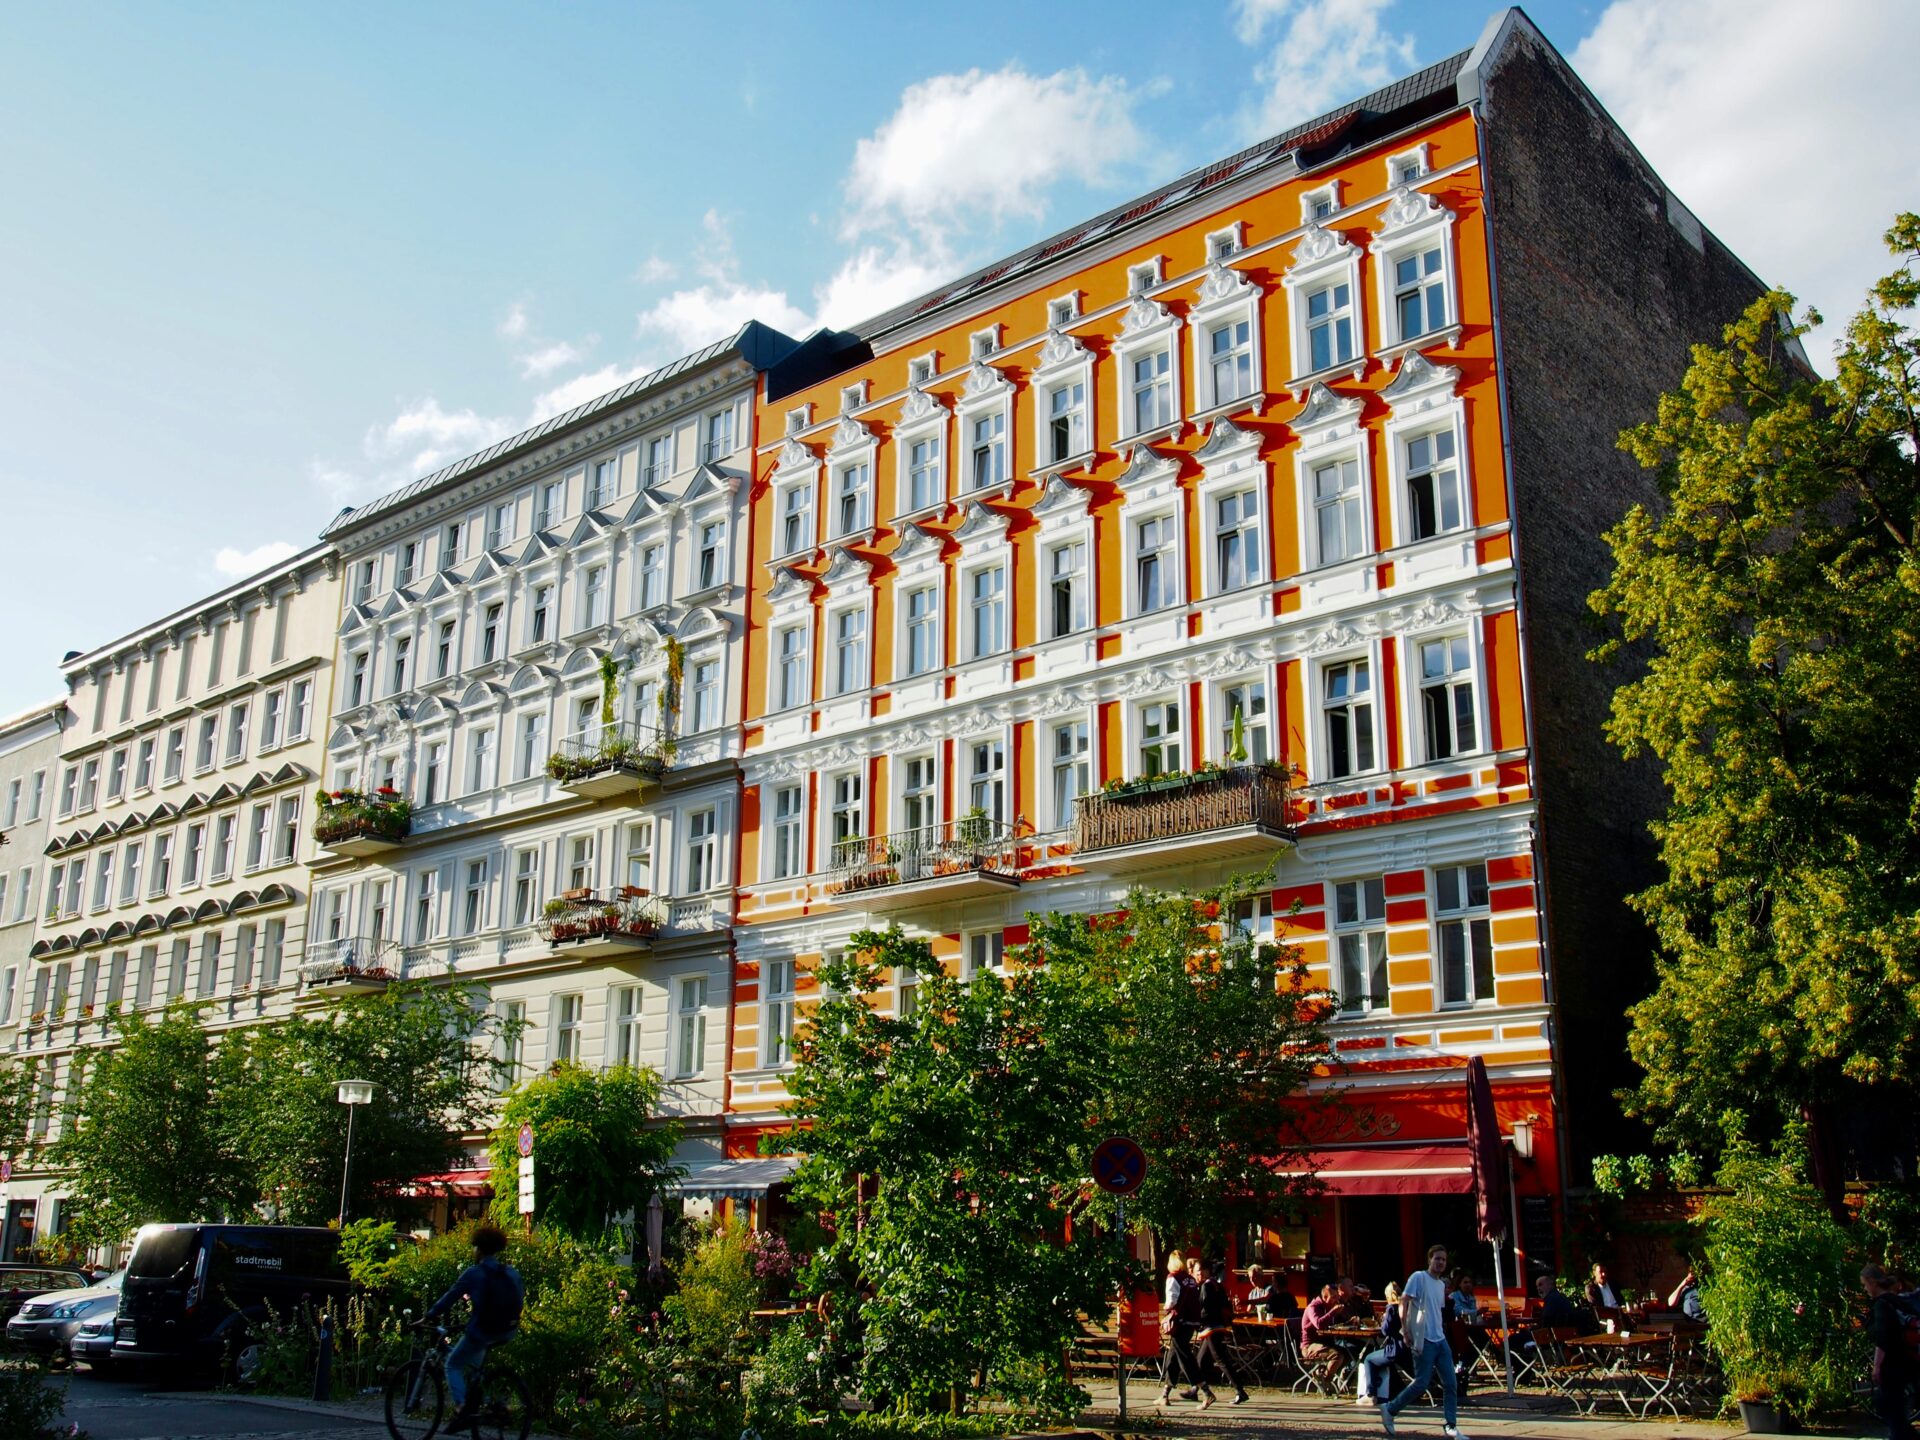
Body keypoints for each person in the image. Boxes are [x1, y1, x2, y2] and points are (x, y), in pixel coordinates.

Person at [422, 1223, 524, 1423]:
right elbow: (519, 1297)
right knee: (474, 1369)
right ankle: (487, 1404)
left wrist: (429, 1315)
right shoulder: (510, 1272)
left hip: (483, 1329)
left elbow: (450, 1297)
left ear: (478, 1248)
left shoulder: (474, 1273)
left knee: (452, 1364)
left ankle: (462, 1408)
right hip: (507, 1329)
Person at [1377, 1243, 1468, 1439]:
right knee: (1421, 1383)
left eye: (1443, 1260)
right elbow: (1404, 1300)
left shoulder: (1441, 1284)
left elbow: (1437, 1310)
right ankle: (1390, 1409)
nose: (1440, 1263)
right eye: (1437, 1259)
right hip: (1423, 1338)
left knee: (1451, 1383)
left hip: (1440, 1339)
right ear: (1429, 1260)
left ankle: (1450, 1424)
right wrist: (1406, 1330)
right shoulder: (1418, 1277)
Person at [1865, 1264, 1917, 1440]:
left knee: (1886, 1405)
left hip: (1892, 1365)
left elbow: (1883, 1338)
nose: (1865, 1289)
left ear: (1873, 1282)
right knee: (1893, 1409)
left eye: (1865, 1284)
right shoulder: (1897, 1300)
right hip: (1906, 1360)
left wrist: (1876, 1367)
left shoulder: (1882, 1304)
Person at [1191, 1257, 1251, 1405]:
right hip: (1219, 1326)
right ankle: (1194, 1390)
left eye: (1198, 1272)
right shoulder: (1218, 1285)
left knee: (1221, 1359)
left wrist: (1198, 1322)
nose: (1196, 1275)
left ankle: (1240, 1390)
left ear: (1205, 1271)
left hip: (1211, 1328)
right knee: (1201, 1359)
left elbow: (1204, 1308)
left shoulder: (1206, 1286)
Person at [1157, 1250, 1205, 1406]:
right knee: (1173, 1356)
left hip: (1180, 1321)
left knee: (1184, 1357)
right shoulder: (1190, 1279)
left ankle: (1205, 1390)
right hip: (1191, 1322)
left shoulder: (1173, 1278)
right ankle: (1165, 1394)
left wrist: (1166, 1311)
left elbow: (1171, 1301)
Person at [1356, 1282, 1405, 1407]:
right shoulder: (1405, 1306)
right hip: (1407, 1350)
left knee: (1369, 1359)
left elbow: (1385, 1331)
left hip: (1395, 1350)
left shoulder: (1391, 1308)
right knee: (1377, 1355)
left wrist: (1384, 1319)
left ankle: (1370, 1394)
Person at [1301, 1282, 1352, 1387]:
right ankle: (1324, 1381)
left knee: (1348, 1354)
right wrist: (1333, 1311)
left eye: (1337, 1297)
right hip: (1310, 1346)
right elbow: (1319, 1324)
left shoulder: (1329, 1307)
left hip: (1326, 1344)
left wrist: (1349, 1321)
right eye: (1334, 1297)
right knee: (1337, 1355)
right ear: (1325, 1297)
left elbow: (1337, 1324)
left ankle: (1321, 1375)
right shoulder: (1313, 1307)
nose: (1336, 1300)